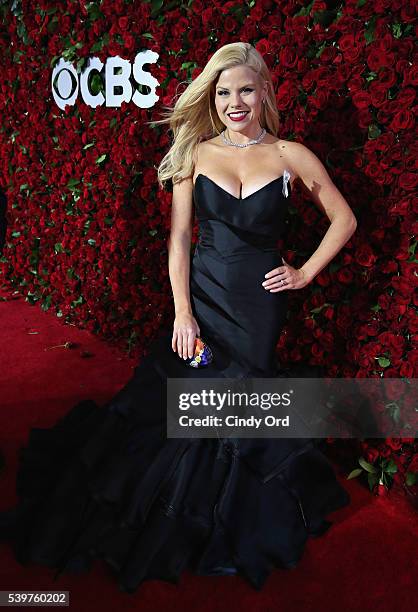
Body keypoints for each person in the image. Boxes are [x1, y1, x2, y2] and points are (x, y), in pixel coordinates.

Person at [0, 42, 357, 594]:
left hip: (258, 307)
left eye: (243, 89)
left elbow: (343, 218)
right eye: (222, 92)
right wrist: (182, 312)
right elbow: (180, 238)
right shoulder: (195, 151)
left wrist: (305, 272)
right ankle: (166, 517)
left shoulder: (291, 155)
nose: (233, 101)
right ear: (211, 99)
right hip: (204, 300)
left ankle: (227, 517)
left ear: (263, 91)